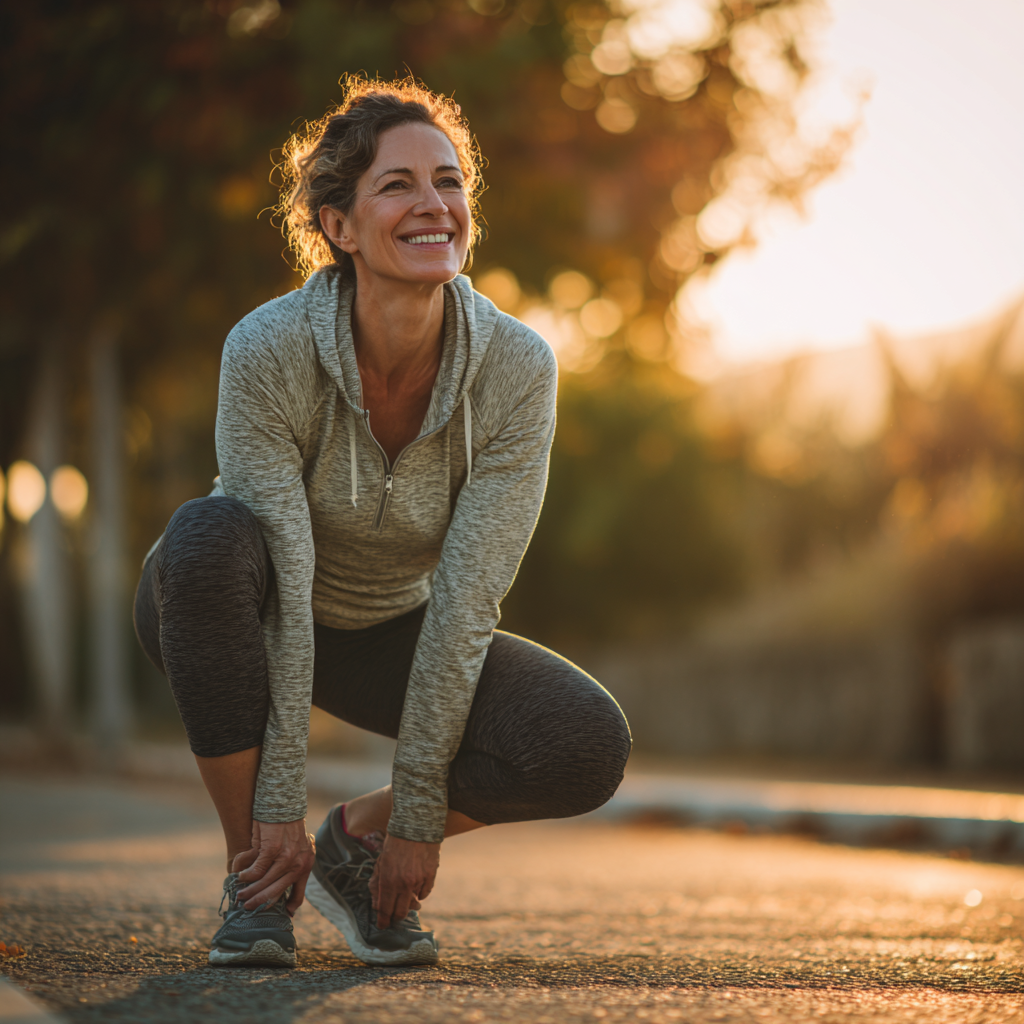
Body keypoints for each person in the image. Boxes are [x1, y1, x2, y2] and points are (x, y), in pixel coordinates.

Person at [133, 77, 631, 969]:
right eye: (396, 185)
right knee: (208, 533)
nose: (433, 204)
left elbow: (469, 597)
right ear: (339, 225)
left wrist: (413, 814)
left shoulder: (517, 368)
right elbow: (281, 565)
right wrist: (274, 806)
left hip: (383, 623)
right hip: (233, 602)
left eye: (448, 181)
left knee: (583, 742)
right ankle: (254, 881)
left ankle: (345, 850)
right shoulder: (268, 346)